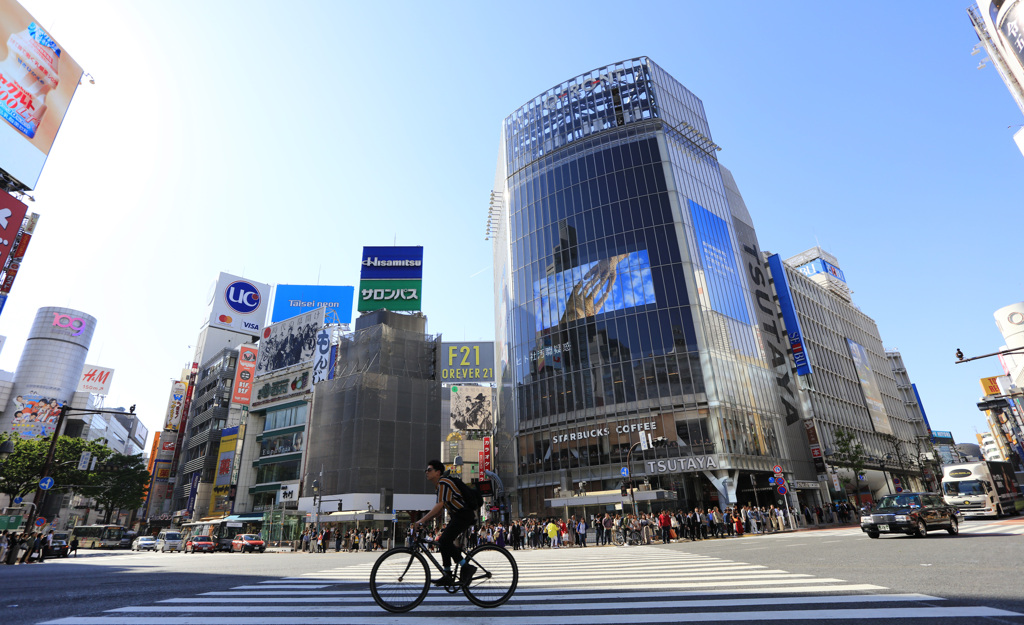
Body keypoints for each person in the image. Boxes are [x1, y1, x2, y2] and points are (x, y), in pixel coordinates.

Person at [413, 460, 477, 587]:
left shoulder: (443, 483)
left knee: (444, 541)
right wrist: (426, 522)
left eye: (429, 470)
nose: (426, 472)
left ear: (438, 472)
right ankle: (447, 574)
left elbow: (439, 505)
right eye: (426, 470)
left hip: (463, 515)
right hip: (458, 516)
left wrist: (421, 520)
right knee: (443, 542)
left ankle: (466, 567)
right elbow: (440, 510)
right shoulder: (439, 486)